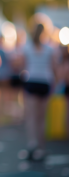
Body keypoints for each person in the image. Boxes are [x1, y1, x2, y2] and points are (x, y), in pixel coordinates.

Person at [18, 23, 56, 161]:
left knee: (32, 117)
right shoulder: (49, 49)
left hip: (32, 80)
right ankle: (41, 147)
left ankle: (32, 143)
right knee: (42, 118)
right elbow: (53, 68)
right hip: (45, 82)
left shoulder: (27, 47)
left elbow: (22, 66)